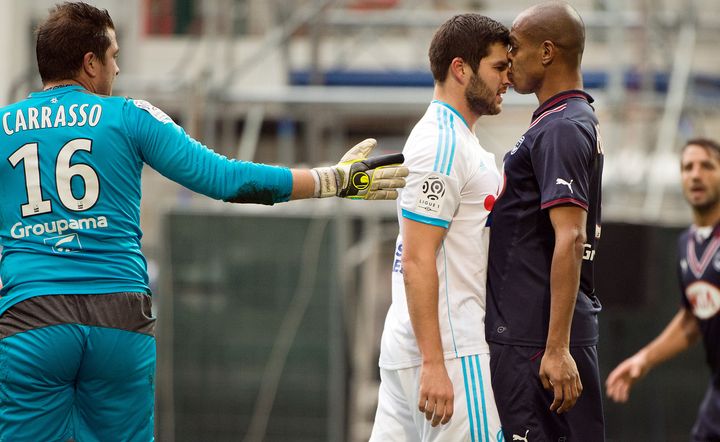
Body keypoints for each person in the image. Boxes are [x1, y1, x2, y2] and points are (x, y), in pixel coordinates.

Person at [0, 2, 407, 441]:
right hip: (117, 319)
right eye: (114, 56)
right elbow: (224, 178)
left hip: (31, 319)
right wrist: (331, 180)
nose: (117, 70)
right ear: (90, 63)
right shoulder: (129, 116)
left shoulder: (4, 127)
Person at [370, 14, 510, 441]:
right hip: (449, 352)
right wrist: (435, 362)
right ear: (460, 68)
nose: (508, 78)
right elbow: (416, 258)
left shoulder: (454, 140)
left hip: (413, 348)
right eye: (499, 67)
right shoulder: (444, 143)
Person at [484, 2, 605, 440]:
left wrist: (555, 348)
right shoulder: (564, 120)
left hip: (537, 341)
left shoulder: (561, 126)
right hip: (536, 334)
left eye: (516, 46)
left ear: (548, 52)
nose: (508, 58)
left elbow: (571, 237)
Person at [606, 138, 720, 441]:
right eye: (687, 167)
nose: (696, 174)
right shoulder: (687, 244)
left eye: (707, 166)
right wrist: (644, 358)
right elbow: (693, 319)